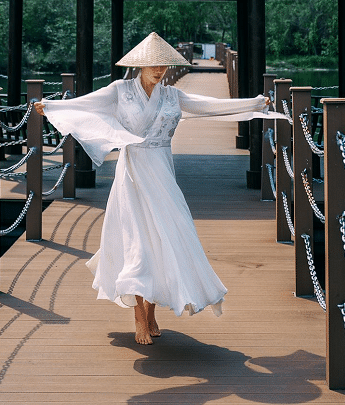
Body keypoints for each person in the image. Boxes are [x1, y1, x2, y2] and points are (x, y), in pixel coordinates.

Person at [34, 32, 284, 345]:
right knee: (139, 243)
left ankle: (151, 311)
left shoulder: (172, 96)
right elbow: (85, 105)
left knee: (166, 239)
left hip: (163, 173)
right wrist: (54, 107)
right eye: (153, 64)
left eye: (163, 64)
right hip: (134, 173)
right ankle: (139, 315)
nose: (159, 69)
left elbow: (212, 107)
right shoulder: (119, 91)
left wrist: (256, 103)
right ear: (139, 65)